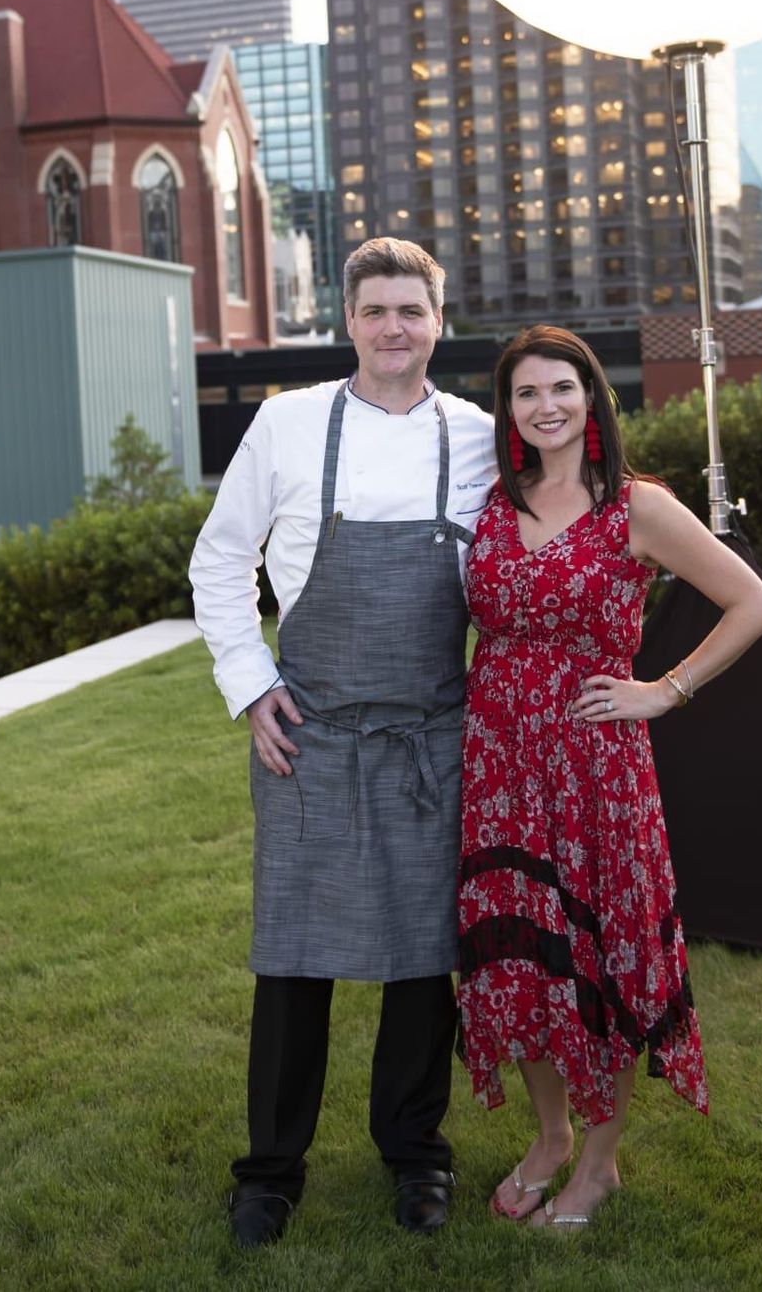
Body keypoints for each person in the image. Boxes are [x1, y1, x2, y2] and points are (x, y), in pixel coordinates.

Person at [189, 238, 496, 1247]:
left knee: (420, 958)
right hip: (307, 735)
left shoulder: (481, 437)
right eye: (375, 311)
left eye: (412, 310)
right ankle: (270, 1172)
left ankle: (415, 1155)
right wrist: (250, 686)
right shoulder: (285, 423)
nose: (394, 328)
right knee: (293, 960)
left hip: (428, 738)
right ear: (348, 321)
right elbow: (220, 560)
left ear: (437, 321)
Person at [457, 325, 762, 1229]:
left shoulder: (635, 507)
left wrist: (665, 690)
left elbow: (753, 601)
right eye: (525, 394)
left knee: (599, 959)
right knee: (518, 955)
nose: (544, 407)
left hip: (598, 765)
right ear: (508, 410)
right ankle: (552, 1137)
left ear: (592, 398)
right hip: (499, 765)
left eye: (561, 388)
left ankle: (599, 1164)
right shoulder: (490, 501)